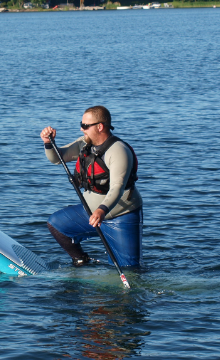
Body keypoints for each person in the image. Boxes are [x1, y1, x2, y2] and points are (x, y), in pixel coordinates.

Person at [40, 106, 143, 267]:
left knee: (129, 269)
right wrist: (48, 143)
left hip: (122, 215)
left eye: (86, 126)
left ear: (100, 126)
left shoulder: (118, 151)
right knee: (56, 224)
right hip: (91, 213)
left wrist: (102, 210)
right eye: (81, 124)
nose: (82, 129)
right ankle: (81, 260)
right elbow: (57, 158)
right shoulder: (84, 144)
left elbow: (117, 187)